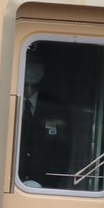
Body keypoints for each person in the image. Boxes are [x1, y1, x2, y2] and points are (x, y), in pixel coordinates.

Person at [18, 60, 70, 188]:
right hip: (9, 183)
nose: (29, 89)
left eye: (33, 85)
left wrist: (49, 182)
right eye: (26, 84)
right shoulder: (7, 103)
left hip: (45, 186)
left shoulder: (56, 109)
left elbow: (63, 149)